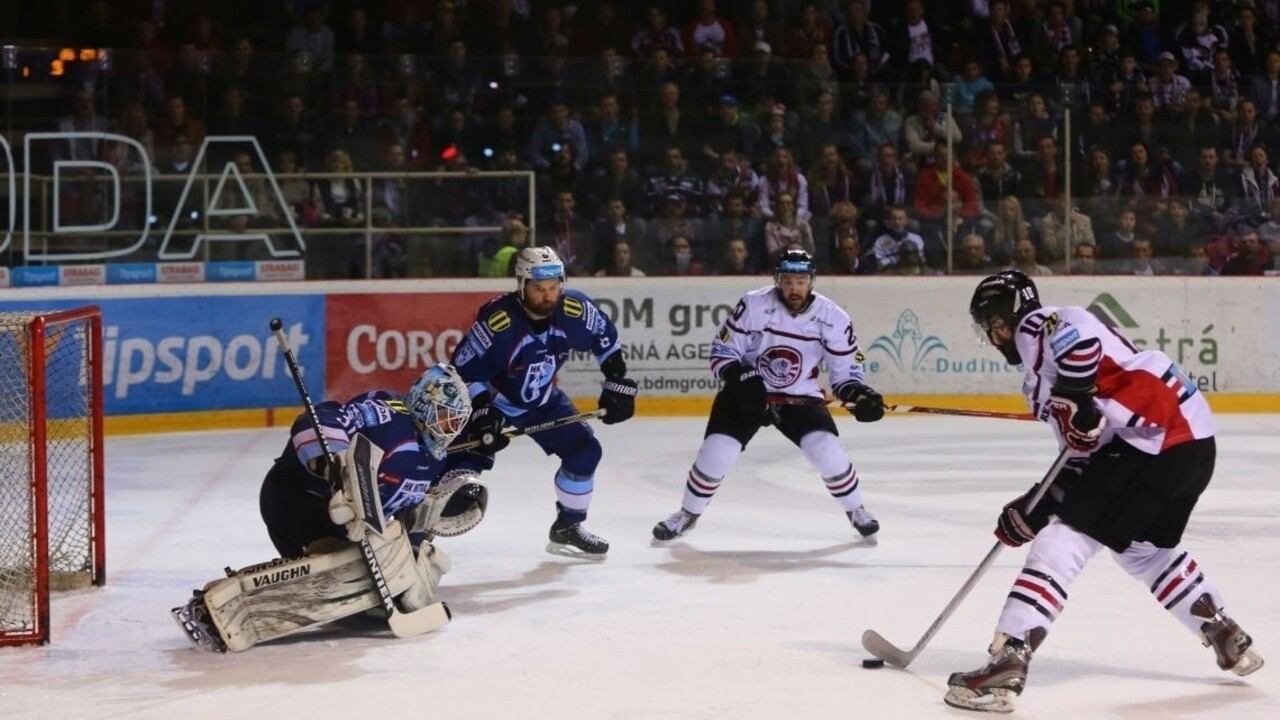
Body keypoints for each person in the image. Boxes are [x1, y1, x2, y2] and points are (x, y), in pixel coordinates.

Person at [947, 271, 1265, 712]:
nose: (995, 335)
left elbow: (1079, 343)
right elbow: (1081, 459)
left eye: (992, 325)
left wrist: (1076, 398)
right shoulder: (1037, 376)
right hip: (1192, 443)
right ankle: (1222, 631)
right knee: (1141, 548)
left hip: (1152, 441)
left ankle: (1010, 656)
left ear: (1003, 319)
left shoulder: (1042, 327)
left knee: (1062, 542)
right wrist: (1034, 506)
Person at [174, 364, 484, 652]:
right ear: (425, 402)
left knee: (356, 572)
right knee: (333, 566)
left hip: (346, 524)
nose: (450, 428)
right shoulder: (388, 411)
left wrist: (410, 562)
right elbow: (324, 417)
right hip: (297, 496)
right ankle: (214, 601)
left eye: (456, 422)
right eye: (446, 416)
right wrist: (332, 462)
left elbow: (404, 517)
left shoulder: (435, 460)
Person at [651, 249, 885, 542]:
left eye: (800, 281)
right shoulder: (754, 304)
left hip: (799, 397)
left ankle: (856, 509)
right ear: (777, 280)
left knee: (827, 453)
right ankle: (687, 513)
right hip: (747, 394)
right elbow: (722, 352)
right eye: (787, 280)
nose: (793, 288)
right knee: (717, 453)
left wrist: (858, 394)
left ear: (811, 281)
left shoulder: (833, 317)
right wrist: (744, 379)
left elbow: (846, 372)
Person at [450, 247, 638, 559]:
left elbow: (606, 340)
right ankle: (419, 534)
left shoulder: (574, 308)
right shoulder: (499, 323)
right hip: (493, 402)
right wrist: (482, 410)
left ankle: (568, 526)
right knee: (459, 475)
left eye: (553, 288)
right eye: (538, 289)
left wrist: (616, 380)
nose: (548, 297)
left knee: (585, 451)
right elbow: (460, 371)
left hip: (541, 399)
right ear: (521, 284)